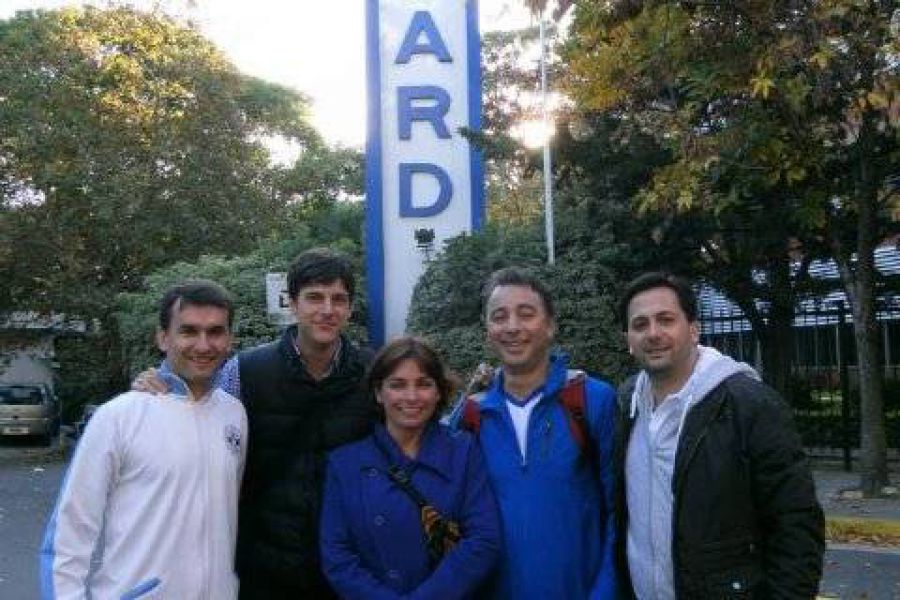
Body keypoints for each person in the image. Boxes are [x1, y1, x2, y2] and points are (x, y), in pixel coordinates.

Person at [133, 248, 377, 598]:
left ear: (350, 308)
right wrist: (157, 386)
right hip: (265, 565)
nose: (327, 310)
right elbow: (198, 418)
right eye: (314, 298)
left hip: (349, 563)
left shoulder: (373, 374)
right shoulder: (246, 371)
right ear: (292, 303)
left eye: (338, 299)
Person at [615, 271, 825, 599]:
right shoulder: (625, 405)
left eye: (666, 320)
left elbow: (795, 525)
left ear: (694, 329)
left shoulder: (749, 405)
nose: (653, 333)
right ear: (628, 339)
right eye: (640, 324)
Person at [40, 280, 247, 599]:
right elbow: (69, 535)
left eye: (215, 332)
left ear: (229, 339)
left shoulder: (234, 415)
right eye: (189, 331)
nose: (204, 345)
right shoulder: (118, 417)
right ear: (163, 337)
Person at [450, 267, 618, 599]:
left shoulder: (590, 400)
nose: (512, 327)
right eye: (499, 317)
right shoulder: (471, 416)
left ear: (551, 325)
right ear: (488, 331)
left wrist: (606, 592)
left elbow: (620, 511)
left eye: (526, 314)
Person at [320, 337, 501, 599]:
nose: (412, 396)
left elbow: (483, 540)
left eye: (424, 384)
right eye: (397, 385)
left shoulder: (464, 452)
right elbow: (337, 556)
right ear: (378, 392)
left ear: (439, 391)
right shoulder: (345, 463)